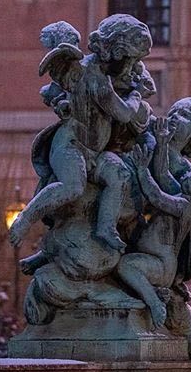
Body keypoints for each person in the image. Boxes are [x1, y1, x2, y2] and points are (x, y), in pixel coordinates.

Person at [9, 14, 151, 252]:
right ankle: (25, 218)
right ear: (115, 51)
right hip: (71, 145)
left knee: (119, 176)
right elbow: (124, 113)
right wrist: (136, 94)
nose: (131, 66)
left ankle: (105, 228)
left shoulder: (107, 75)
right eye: (129, 59)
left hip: (94, 152)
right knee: (73, 185)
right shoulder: (94, 76)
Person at [116, 137, 191, 327]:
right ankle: (153, 294)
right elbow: (163, 175)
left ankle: (154, 301)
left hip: (162, 265)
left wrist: (142, 170)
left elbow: (156, 196)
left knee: (126, 266)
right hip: (157, 260)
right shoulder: (182, 195)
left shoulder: (185, 207)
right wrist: (163, 144)